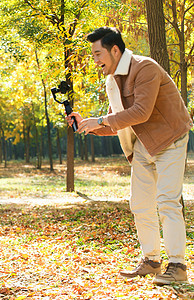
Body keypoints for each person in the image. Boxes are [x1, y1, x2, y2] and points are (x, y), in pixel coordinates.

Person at [67, 27, 192, 285]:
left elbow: (141, 112)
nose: (95, 60)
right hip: (144, 144)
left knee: (167, 201)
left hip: (170, 138)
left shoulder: (145, 68)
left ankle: (178, 266)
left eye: (98, 53)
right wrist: (88, 126)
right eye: (92, 55)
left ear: (115, 50)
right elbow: (118, 123)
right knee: (140, 203)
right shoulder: (112, 80)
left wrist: (99, 119)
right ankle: (151, 261)